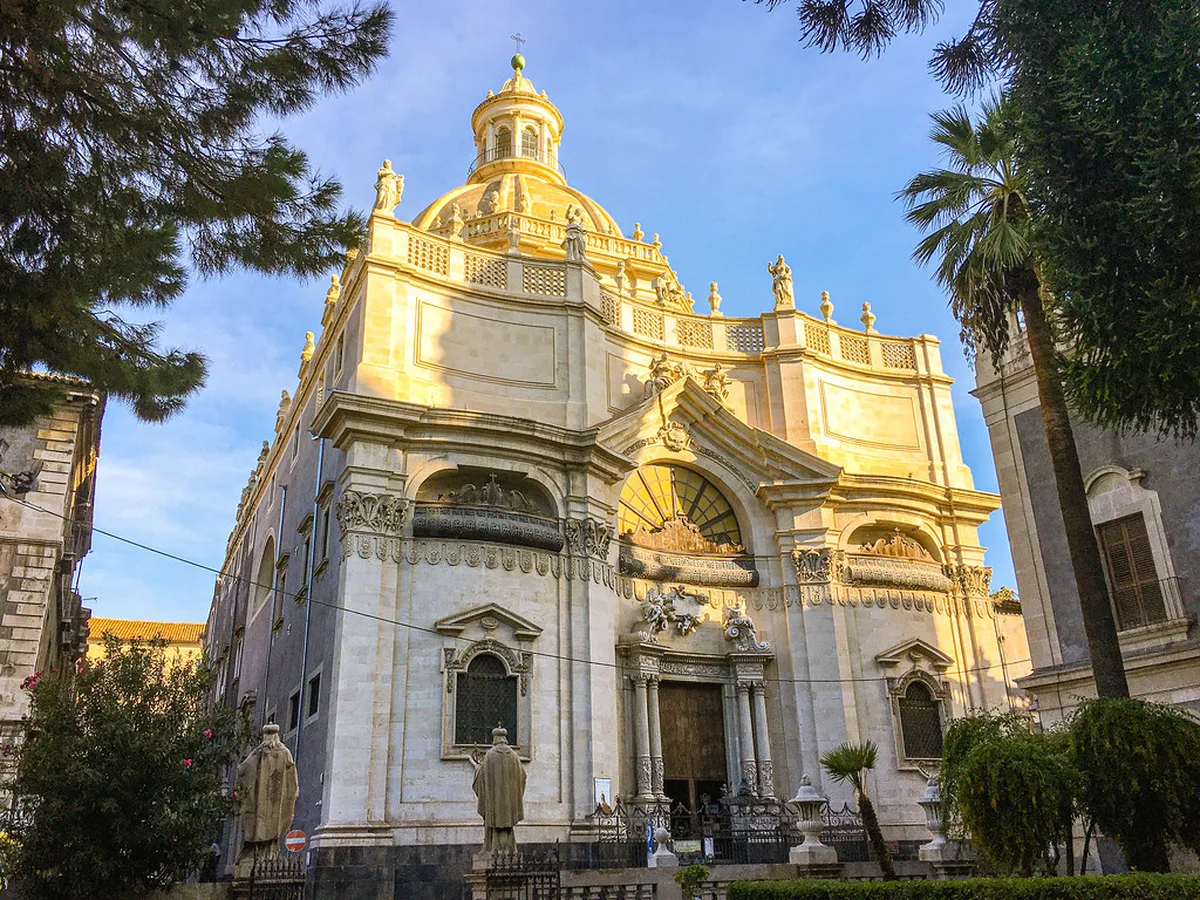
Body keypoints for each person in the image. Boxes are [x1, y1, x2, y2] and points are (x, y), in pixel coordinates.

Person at [235, 724, 298, 864]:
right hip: (276, 800)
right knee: (272, 828)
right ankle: (270, 855)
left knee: (259, 826)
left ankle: (258, 855)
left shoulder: (257, 754)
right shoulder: (285, 752)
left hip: (260, 803)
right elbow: (292, 778)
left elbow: (243, 770)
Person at [470, 726, 526, 853]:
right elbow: (523, 776)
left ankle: (493, 848)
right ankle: (509, 849)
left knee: (495, 823)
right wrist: (514, 794)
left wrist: (476, 767)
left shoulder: (490, 755)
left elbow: (481, 776)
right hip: (509, 803)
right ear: (505, 739)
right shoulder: (514, 756)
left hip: (494, 802)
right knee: (507, 825)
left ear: (495, 739)